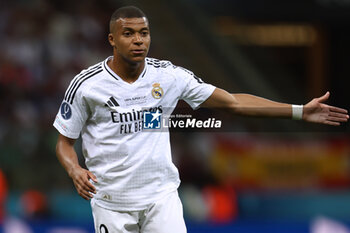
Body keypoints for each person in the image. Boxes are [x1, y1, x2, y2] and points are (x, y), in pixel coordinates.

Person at [53, 6, 348, 233]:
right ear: (112, 39)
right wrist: (74, 169)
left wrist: (298, 110)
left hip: (161, 199)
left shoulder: (169, 76)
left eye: (143, 33)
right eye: (128, 33)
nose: (138, 40)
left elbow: (233, 103)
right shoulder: (87, 85)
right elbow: (64, 142)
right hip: (112, 204)